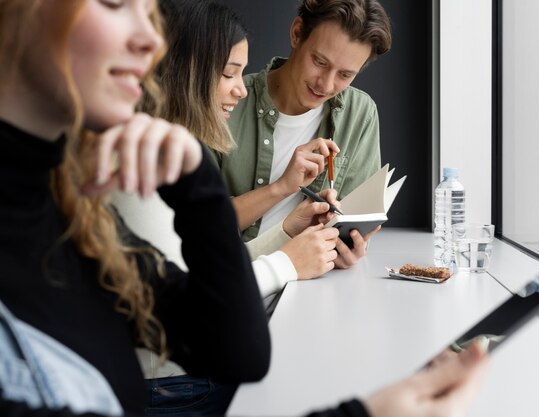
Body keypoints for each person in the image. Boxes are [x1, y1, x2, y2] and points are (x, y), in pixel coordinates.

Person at [0, 1, 490, 416]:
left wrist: (196, 180)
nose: (151, 40)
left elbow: (238, 351)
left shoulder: (76, 217)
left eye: (149, 11)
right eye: (113, 3)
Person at [110, 1, 341, 414]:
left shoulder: (171, 152)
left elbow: (204, 280)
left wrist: (287, 231)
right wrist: (286, 264)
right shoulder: (145, 167)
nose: (240, 88)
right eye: (229, 73)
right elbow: (195, 309)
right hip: (174, 386)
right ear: (186, 71)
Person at [214, 0, 392, 270]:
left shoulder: (360, 113)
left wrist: (350, 248)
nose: (326, 84)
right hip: (232, 281)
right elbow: (196, 225)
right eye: (319, 61)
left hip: (313, 286)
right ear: (297, 33)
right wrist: (281, 187)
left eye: (345, 75)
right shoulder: (225, 102)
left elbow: (354, 226)